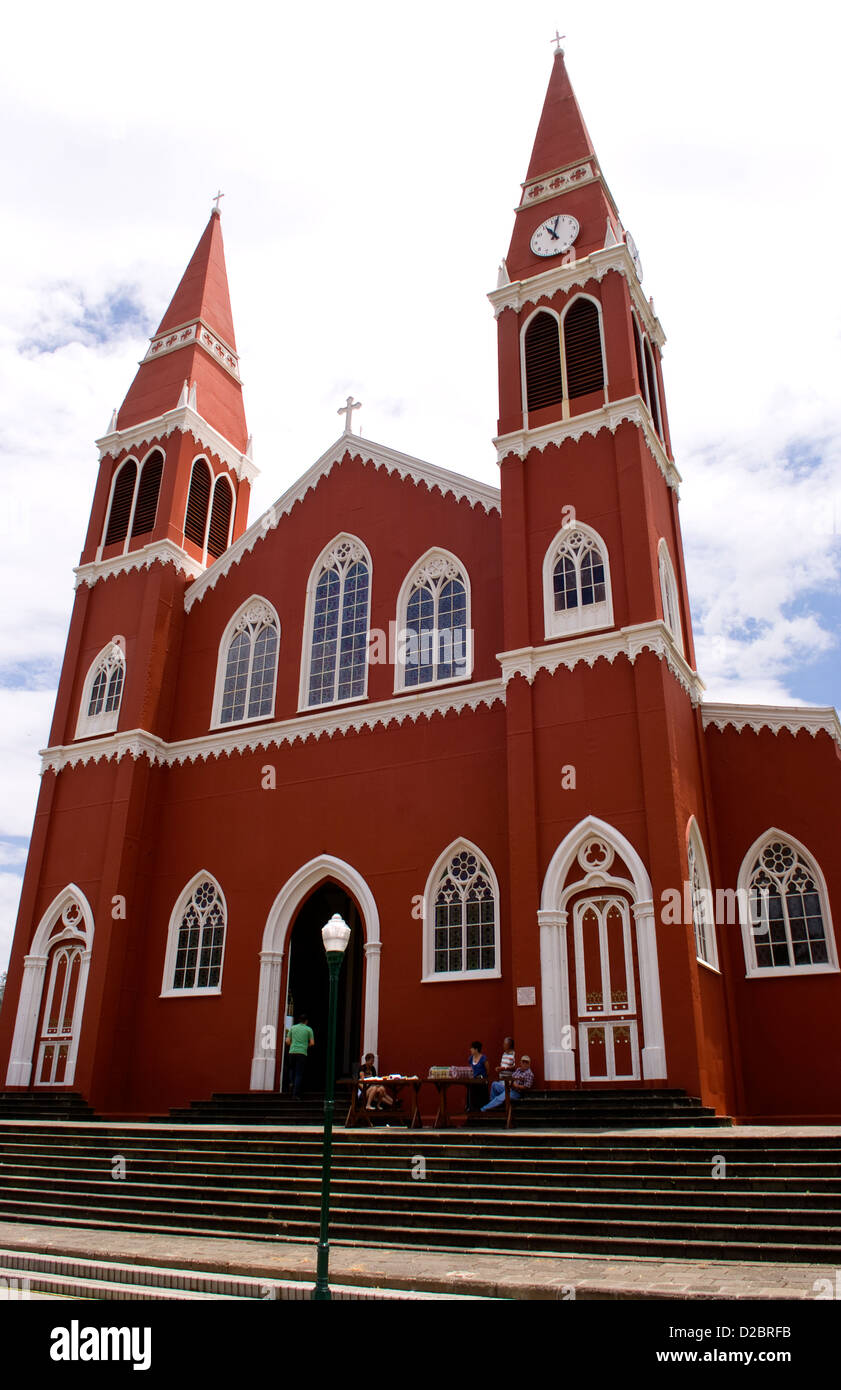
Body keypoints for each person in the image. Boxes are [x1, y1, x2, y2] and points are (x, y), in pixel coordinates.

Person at [285, 1013, 314, 1098]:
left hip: (292, 1052)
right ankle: (295, 1094)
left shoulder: (293, 1028)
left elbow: (287, 1041)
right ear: (306, 1021)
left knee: (291, 1069)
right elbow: (312, 1043)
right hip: (302, 1053)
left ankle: (291, 1082)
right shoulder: (309, 1029)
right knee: (299, 1074)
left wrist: (293, 1045)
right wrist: (305, 1046)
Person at [466, 1040, 489, 1112]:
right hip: (473, 1079)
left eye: (472, 1048)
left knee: (474, 1087)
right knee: (469, 1086)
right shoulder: (470, 1058)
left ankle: (478, 1107)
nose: (470, 1050)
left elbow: (488, 1070)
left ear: (476, 1049)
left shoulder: (483, 1058)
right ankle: (470, 1106)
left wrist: (484, 1078)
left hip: (481, 1080)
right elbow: (470, 1069)